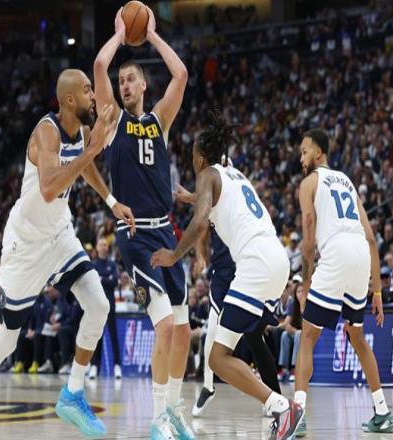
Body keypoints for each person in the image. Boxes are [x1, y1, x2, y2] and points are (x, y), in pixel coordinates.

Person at [0, 68, 136, 440]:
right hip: (25, 245)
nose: (93, 96)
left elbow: (85, 168)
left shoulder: (81, 131)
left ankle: (72, 394)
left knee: (98, 305)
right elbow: (51, 187)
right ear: (69, 99)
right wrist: (91, 150)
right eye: (87, 91)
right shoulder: (46, 132)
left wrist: (111, 201)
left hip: (58, 234)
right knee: (7, 341)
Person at [151, 111, 303, 440]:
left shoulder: (207, 174)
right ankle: (281, 409)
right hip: (277, 260)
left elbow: (201, 221)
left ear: (200, 158)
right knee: (248, 340)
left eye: (192, 157)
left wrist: (173, 255)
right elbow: (218, 203)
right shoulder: (234, 174)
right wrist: (191, 198)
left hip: (255, 264)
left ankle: (281, 407)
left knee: (218, 358)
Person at [94, 8, 191, 440]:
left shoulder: (158, 121)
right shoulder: (113, 122)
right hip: (135, 237)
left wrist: (150, 35)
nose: (124, 85)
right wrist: (120, 33)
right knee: (165, 325)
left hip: (166, 233)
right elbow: (100, 64)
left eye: (131, 79)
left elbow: (181, 74)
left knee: (184, 330)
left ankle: (173, 412)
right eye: (122, 82)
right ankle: (156, 420)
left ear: (144, 85)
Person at [295, 128, 393, 436]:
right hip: (360, 255)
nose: (301, 158)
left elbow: (308, 239)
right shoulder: (348, 182)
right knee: (357, 336)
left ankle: (297, 415)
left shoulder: (309, 183)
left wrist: (307, 282)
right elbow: (371, 238)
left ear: (319, 153)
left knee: (308, 336)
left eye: (304, 152)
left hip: (337, 253)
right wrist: (377, 290)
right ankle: (383, 412)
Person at [174, 185, 282, 418]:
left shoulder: (237, 203)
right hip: (224, 274)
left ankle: (275, 397)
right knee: (213, 330)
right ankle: (208, 386)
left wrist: (190, 197)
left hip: (248, 270)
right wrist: (201, 256)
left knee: (255, 338)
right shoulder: (214, 203)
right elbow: (201, 228)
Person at [91, 238, 122, 380]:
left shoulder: (112, 265)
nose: (104, 247)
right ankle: (94, 365)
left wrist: (102, 279)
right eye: (101, 244)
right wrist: (106, 278)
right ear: (97, 248)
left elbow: (115, 281)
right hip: (97, 306)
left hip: (110, 306)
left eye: (105, 245)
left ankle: (117, 366)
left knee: (114, 335)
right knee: (97, 336)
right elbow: (92, 282)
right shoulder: (93, 265)